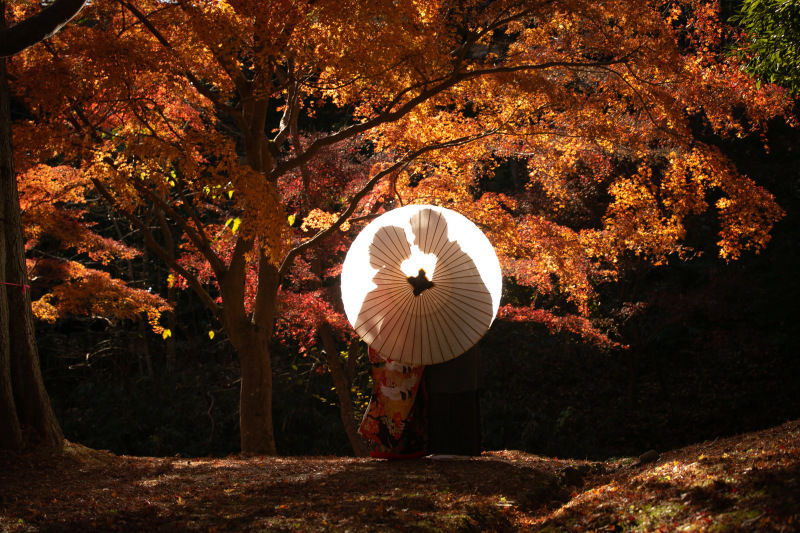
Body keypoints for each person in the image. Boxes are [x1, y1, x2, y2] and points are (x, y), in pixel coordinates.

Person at [357, 347, 427, 459]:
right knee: (386, 405)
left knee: (398, 404)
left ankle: (396, 448)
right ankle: (395, 448)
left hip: (398, 359)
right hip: (394, 361)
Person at [424, 343, 483, 457]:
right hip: (442, 355)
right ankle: (457, 448)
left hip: (451, 354)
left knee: (459, 400)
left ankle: (452, 448)